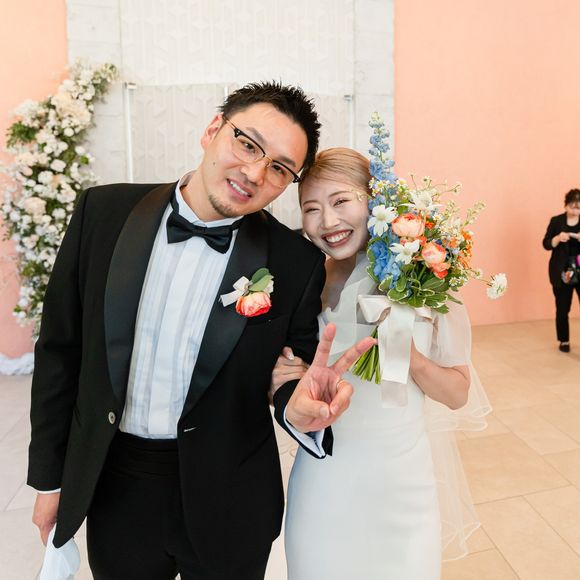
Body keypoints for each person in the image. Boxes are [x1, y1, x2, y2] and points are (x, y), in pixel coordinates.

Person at [27, 83, 375, 580]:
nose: (255, 173)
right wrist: (49, 480)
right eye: (248, 144)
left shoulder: (295, 262)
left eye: (280, 169)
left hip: (232, 497)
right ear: (213, 129)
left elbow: (292, 370)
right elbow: (60, 351)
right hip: (116, 488)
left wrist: (296, 407)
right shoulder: (102, 214)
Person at [272, 148, 490, 580]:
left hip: (402, 486)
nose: (328, 221)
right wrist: (284, 381)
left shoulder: (425, 273)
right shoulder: (303, 280)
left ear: (375, 201)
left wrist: (409, 357)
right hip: (323, 482)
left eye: (341, 201)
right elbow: (283, 377)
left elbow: (458, 394)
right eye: (311, 209)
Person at [542, 188, 580, 352]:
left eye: (578, 208)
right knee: (563, 307)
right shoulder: (556, 221)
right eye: (572, 207)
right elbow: (546, 244)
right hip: (562, 271)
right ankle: (564, 340)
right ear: (566, 205)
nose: (575, 211)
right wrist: (557, 238)